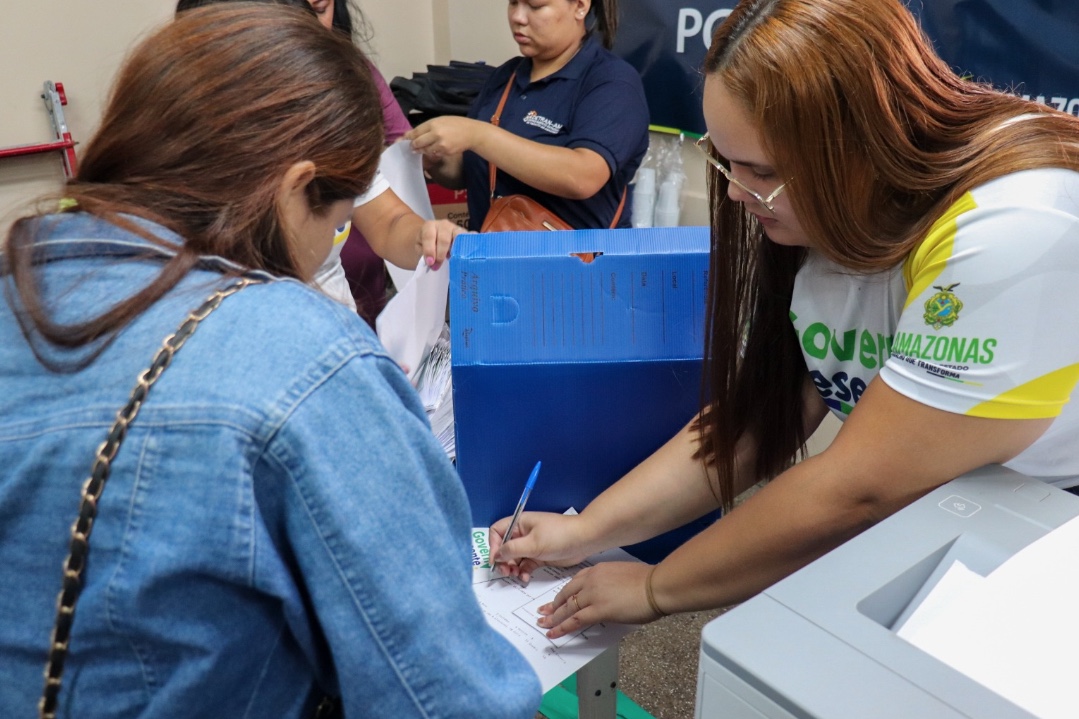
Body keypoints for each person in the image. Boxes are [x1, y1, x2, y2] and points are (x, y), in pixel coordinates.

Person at [0, 6, 540, 718]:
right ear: (293, 189)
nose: (330, 244)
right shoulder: (304, 361)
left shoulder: (22, 288)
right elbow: (447, 695)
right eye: (339, 217)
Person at [488, 0, 1079, 640]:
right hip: (939, 516)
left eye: (762, 172)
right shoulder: (826, 212)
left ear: (861, 147)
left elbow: (857, 487)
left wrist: (658, 587)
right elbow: (757, 421)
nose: (738, 193)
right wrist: (587, 529)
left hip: (1043, 534)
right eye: (728, 162)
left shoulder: (1012, 224)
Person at [176, 0, 462, 324]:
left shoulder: (333, 114)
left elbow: (387, 221)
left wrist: (424, 238)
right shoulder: (205, 155)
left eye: (322, 9)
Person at [406, 0, 649, 231]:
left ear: (580, 6)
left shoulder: (612, 81)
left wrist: (478, 135)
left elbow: (583, 176)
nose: (518, 18)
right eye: (513, 3)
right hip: (493, 263)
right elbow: (470, 172)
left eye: (535, 6)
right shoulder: (505, 77)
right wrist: (435, 158)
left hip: (573, 270)